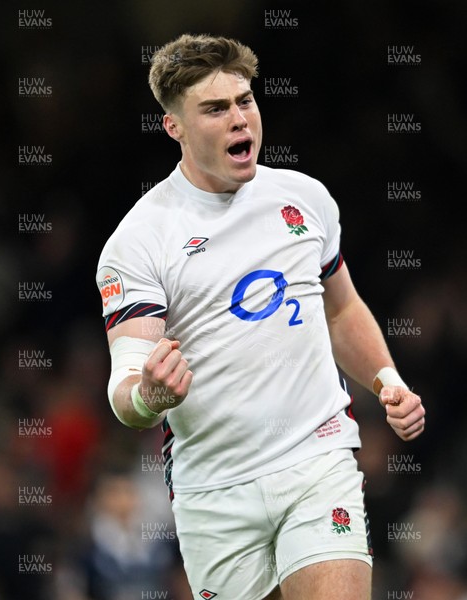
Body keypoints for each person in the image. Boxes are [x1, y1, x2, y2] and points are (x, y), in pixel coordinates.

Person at [96, 33, 426, 600]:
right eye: (215, 108)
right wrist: (149, 395)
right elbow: (125, 388)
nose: (239, 119)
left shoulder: (305, 199)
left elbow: (341, 306)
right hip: (216, 491)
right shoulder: (140, 240)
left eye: (245, 101)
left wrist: (386, 379)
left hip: (316, 460)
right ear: (173, 126)